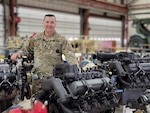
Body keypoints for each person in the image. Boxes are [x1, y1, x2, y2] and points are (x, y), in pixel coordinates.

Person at [11, 14, 79, 94]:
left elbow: (69, 54)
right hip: (38, 80)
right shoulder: (35, 39)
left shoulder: (61, 40)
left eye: (52, 22)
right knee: (37, 103)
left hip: (55, 81)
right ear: (43, 23)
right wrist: (18, 54)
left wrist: (75, 68)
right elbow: (26, 51)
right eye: (47, 22)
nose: (49, 24)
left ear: (55, 24)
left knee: (54, 103)